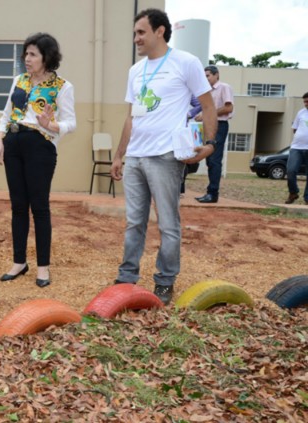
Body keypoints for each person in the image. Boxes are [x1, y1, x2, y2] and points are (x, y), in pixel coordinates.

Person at [110, 8, 217, 305]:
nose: (136, 39)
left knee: (168, 223)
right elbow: (131, 117)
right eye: (134, 33)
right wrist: (120, 155)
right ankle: (127, 277)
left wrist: (210, 144)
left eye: (141, 32)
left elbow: (208, 106)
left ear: (160, 31)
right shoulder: (136, 70)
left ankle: (165, 281)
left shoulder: (186, 62)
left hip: (166, 156)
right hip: (136, 157)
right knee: (134, 222)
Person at [0, 33, 76, 288]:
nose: (26, 59)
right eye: (25, 54)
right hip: (14, 142)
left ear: (46, 57)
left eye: (32, 54)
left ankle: (43, 267)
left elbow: (70, 123)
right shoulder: (19, 80)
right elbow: (6, 114)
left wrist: (50, 124)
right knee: (18, 206)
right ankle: (19, 262)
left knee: (39, 207)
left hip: (40, 146)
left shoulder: (62, 86)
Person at [194, 65, 234, 203]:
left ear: (216, 75)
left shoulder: (224, 87)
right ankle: (210, 192)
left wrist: (208, 113)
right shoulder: (206, 91)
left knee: (215, 160)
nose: (205, 78)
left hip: (219, 125)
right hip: (207, 126)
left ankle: (213, 193)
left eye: (208, 75)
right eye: (203, 76)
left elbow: (229, 107)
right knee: (209, 160)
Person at [285, 92, 308, 204]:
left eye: (307, 101)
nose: (306, 104)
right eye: (304, 102)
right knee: (291, 170)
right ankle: (293, 193)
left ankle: (307, 198)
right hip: (297, 147)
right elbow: (295, 128)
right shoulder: (301, 113)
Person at [181, 95, 202, 196]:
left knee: (181, 159)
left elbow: (200, 104)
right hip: (162, 130)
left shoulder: (186, 91)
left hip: (181, 130)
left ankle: (180, 189)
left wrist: (189, 114)